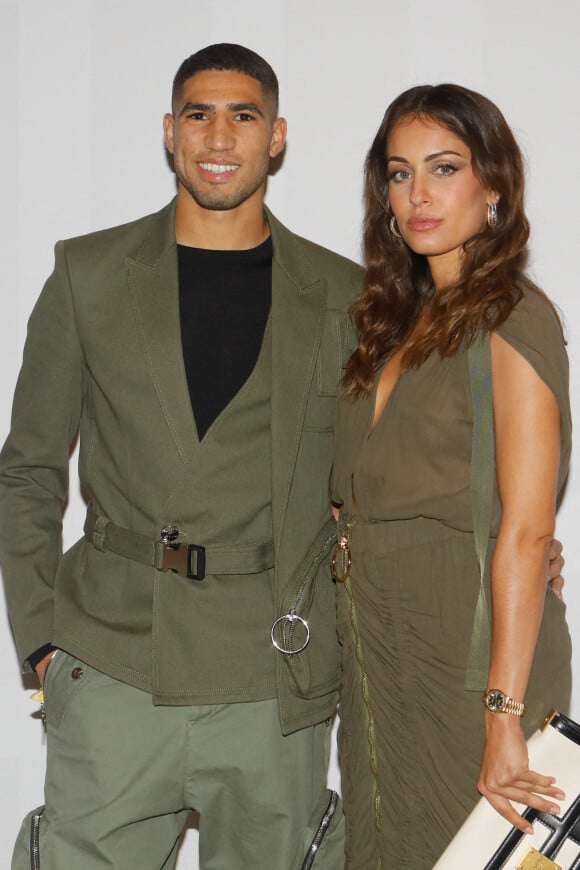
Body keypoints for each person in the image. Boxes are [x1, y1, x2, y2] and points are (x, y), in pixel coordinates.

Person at [0, 44, 363, 870]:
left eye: (244, 115)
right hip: (115, 658)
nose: (220, 135)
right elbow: (26, 467)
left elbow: (370, 483)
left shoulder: (344, 294)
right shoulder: (88, 273)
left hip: (275, 673)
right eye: (199, 113)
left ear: (277, 137)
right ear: (171, 132)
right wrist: (42, 644)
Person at [330, 84, 572, 868]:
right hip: (381, 658)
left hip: (468, 668)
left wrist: (503, 717)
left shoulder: (513, 316)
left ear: (493, 188)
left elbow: (529, 529)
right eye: (399, 174)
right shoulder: (389, 323)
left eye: (444, 167)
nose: (419, 194)